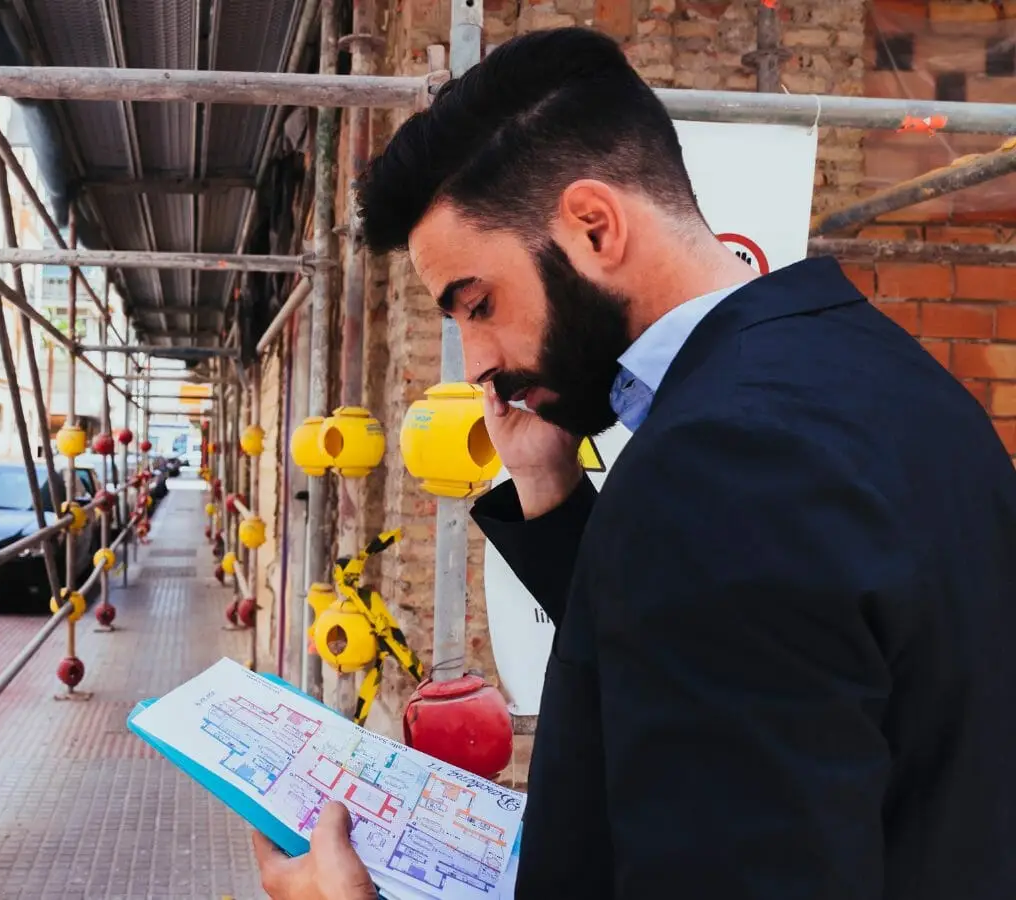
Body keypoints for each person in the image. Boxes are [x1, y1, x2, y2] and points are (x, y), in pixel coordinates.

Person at [250, 26, 1016, 900]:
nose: (475, 361)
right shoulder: (872, 369)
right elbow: (704, 664)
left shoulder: (725, 463)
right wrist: (547, 487)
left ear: (593, 225)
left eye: (479, 304)